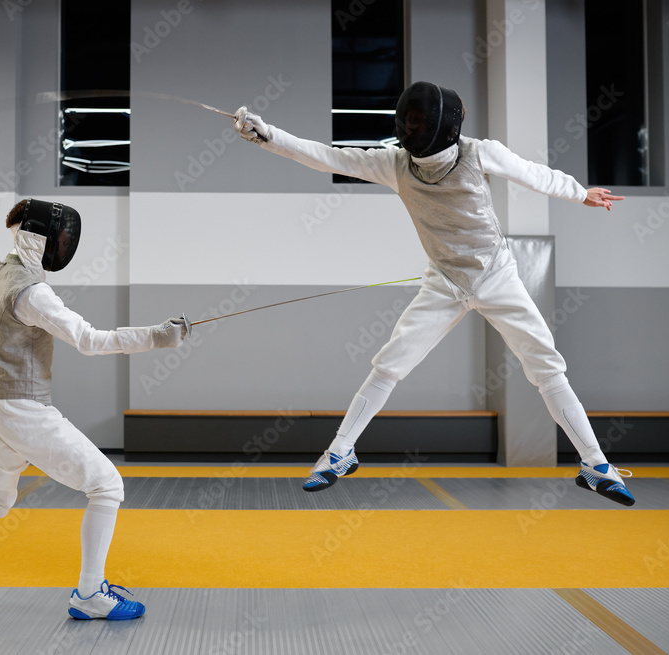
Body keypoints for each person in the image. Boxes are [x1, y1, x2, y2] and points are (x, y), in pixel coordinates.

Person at [234, 81, 635, 506]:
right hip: (445, 282)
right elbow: (326, 156)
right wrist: (268, 136)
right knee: (393, 364)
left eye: (417, 121)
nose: (413, 126)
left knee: (543, 366)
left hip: (496, 276)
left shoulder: (454, 156)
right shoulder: (409, 161)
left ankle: (595, 463)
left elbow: (325, 156)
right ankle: (340, 452)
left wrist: (267, 136)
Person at [0, 198, 190, 621]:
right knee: (107, 485)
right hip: (21, 410)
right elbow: (89, 340)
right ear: (37, 237)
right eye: (59, 237)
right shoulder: (32, 291)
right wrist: (156, 336)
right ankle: (89, 593)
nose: (63, 245)